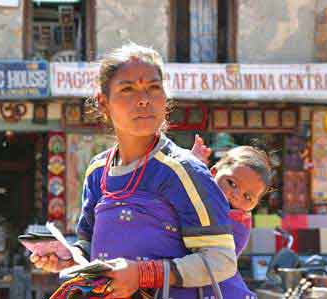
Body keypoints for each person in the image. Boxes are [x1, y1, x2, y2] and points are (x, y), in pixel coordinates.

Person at [31, 43, 241, 299]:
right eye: (127, 89)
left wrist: (143, 274)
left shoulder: (183, 170)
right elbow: (90, 248)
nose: (143, 99)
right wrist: (68, 257)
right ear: (103, 102)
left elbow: (221, 259)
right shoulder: (99, 171)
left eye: (153, 88)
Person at [192, 135, 275, 299]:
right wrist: (194, 165)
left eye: (248, 197)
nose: (236, 195)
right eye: (232, 183)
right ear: (213, 172)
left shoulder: (239, 223)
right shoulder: (203, 193)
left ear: (254, 206)